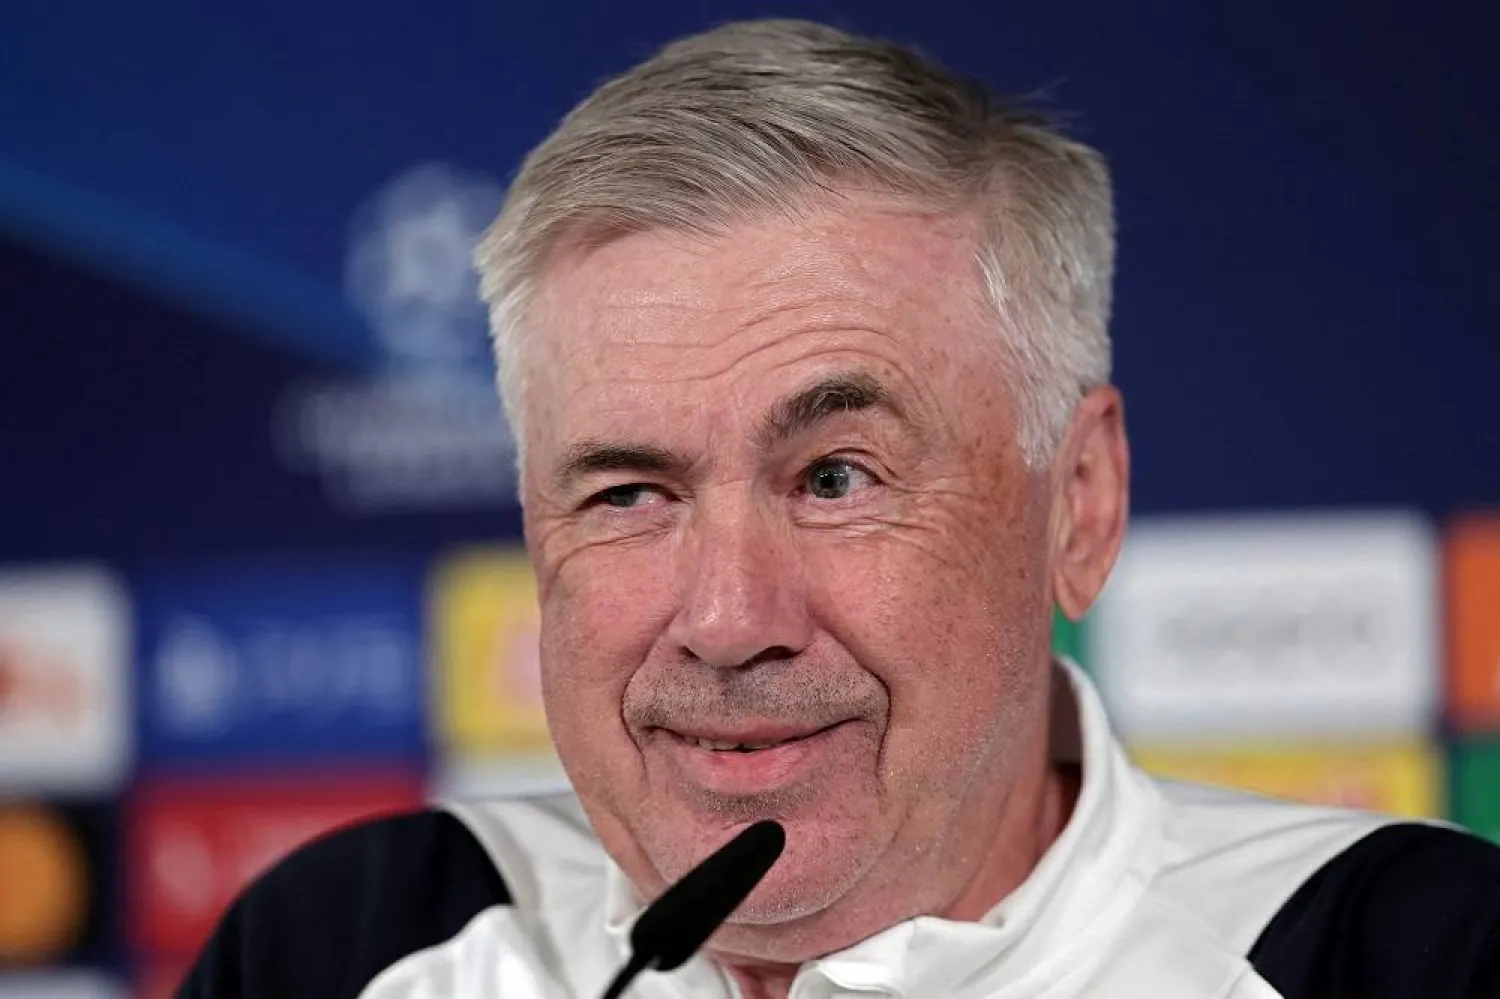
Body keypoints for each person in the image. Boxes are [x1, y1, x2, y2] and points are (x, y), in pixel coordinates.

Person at [177, 18, 1500, 999]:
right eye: (631, 490)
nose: (727, 617)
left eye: (835, 477)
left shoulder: (1404, 957)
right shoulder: (357, 946)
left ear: (1078, 504)